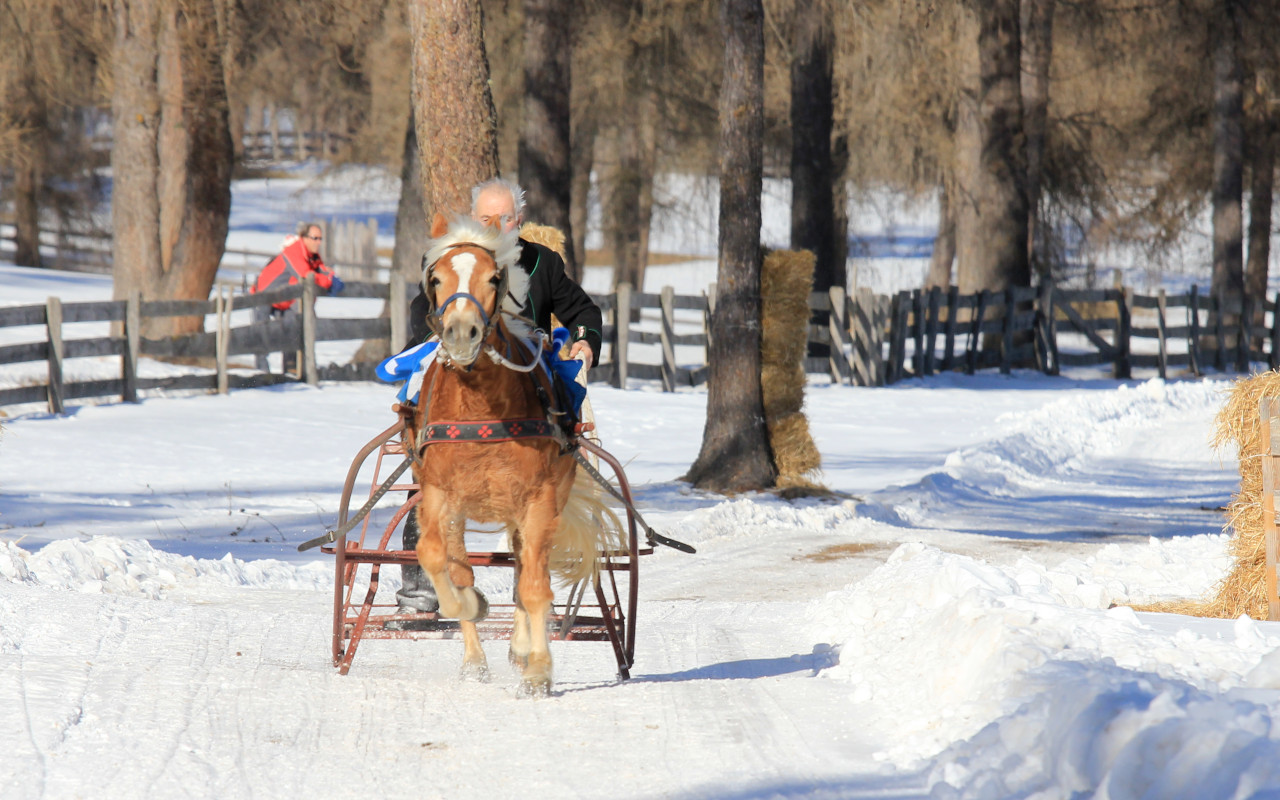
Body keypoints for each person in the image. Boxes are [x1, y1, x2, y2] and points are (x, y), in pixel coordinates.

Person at [389, 177, 603, 627]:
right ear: (474, 218)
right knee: (426, 453)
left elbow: (583, 311)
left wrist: (584, 342)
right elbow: (420, 306)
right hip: (457, 356)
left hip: (526, 380)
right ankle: (419, 588)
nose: (494, 225)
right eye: (486, 217)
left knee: (560, 400)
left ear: (518, 220)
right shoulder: (453, 256)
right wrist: (442, 334)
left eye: (504, 218)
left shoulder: (541, 262)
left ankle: (536, 574)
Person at [251, 222, 345, 373]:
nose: (318, 242)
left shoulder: (312, 256)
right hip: (262, 296)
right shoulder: (294, 252)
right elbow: (306, 275)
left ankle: (291, 371)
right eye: (315, 238)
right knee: (261, 334)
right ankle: (261, 374)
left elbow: (321, 270)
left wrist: (332, 277)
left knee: (293, 330)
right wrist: (328, 282)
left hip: (284, 301)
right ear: (304, 238)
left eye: (320, 239)